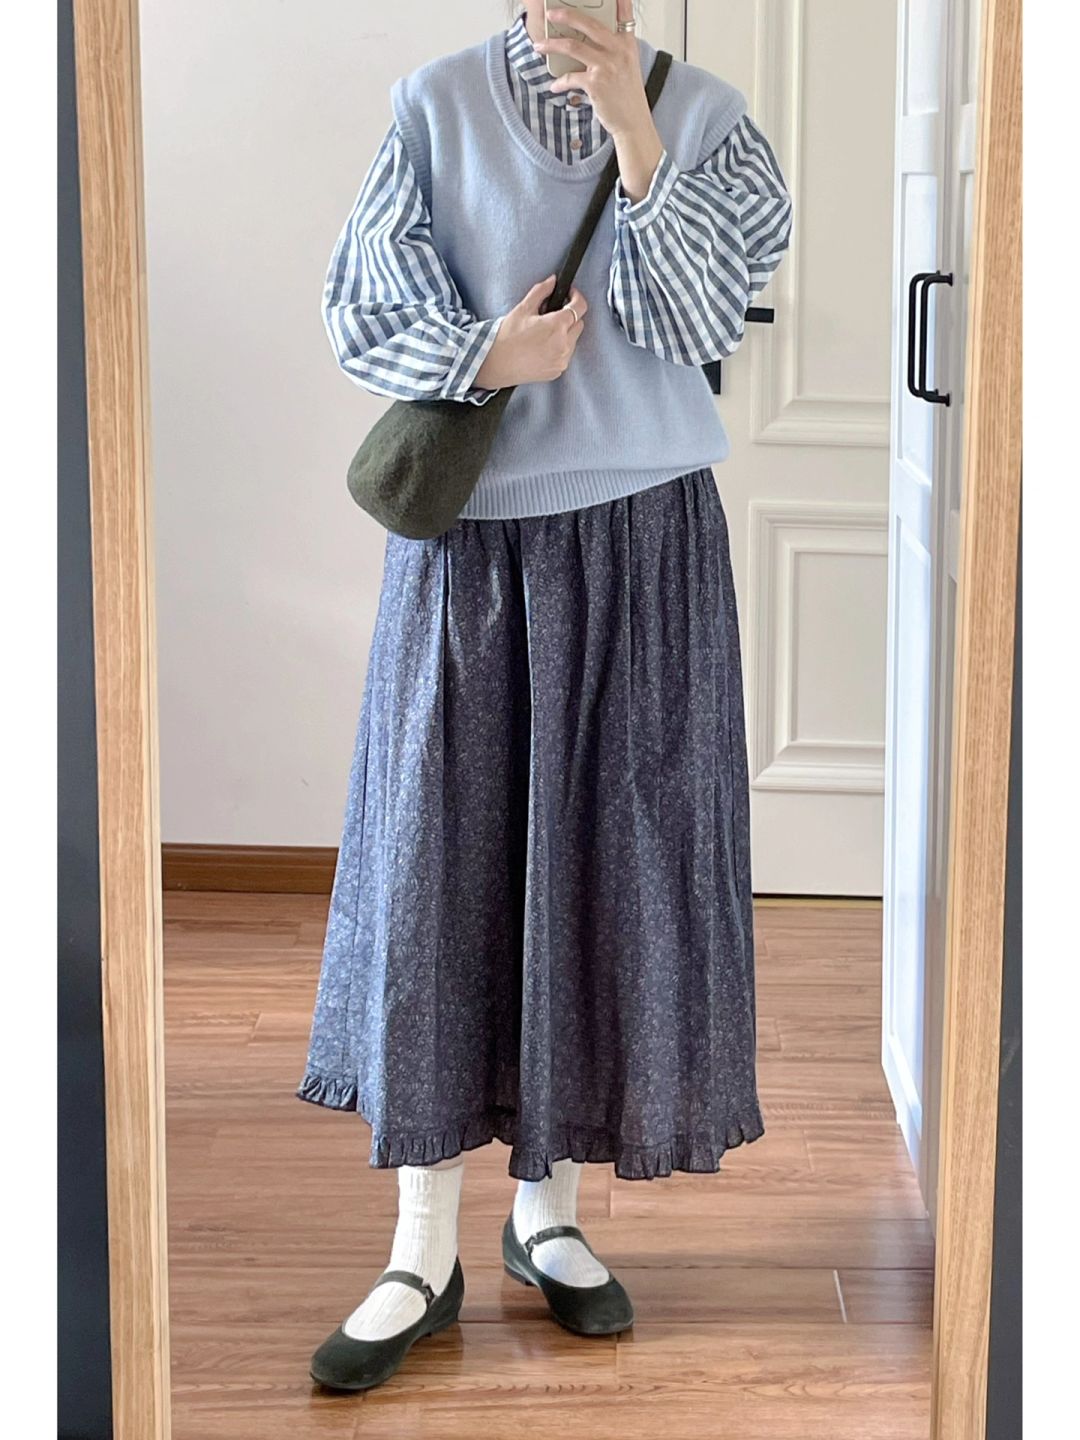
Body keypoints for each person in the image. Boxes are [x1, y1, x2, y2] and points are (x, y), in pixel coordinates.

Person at [299, 0, 792, 1392]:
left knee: (604, 874)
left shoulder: (710, 114)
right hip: (471, 553)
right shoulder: (435, 104)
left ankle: (548, 1216)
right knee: (437, 872)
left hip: (647, 543)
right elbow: (359, 303)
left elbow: (704, 322)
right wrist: (485, 358)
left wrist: (639, 136)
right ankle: (419, 1250)